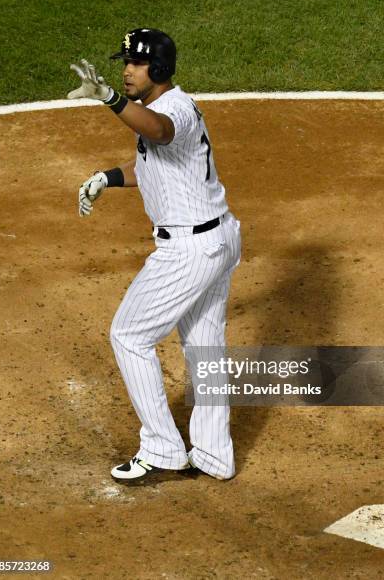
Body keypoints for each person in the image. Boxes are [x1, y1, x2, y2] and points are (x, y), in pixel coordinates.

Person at [67, 28, 241, 484]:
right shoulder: (158, 110)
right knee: (205, 348)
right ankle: (213, 454)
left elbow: (159, 133)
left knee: (129, 336)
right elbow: (152, 165)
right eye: (124, 63)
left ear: (159, 70)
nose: (126, 71)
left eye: (136, 64)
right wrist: (106, 177)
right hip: (216, 239)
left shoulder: (172, 111)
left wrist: (108, 99)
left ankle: (163, 448)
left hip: (189, 249)